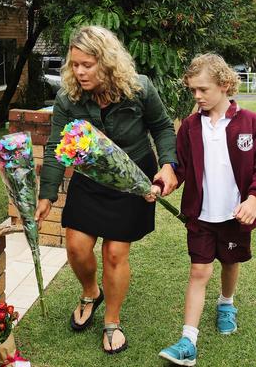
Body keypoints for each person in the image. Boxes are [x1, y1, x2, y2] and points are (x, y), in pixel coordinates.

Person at [35, 25, 178, 354]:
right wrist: (47, 194)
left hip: (133, 179)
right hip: (92, 178)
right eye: (75, 65)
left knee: (115, 253)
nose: (80, 72)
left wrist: (168, 164)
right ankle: (91, 292)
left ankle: (111, 321)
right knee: (76, 248)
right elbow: (58, 146)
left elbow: (161, 127)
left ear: (107, 61)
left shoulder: (139, 88)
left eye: (88, 65)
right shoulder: (68, 98)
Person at [159, 54, 256, 366]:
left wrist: (254, 199)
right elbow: (181, 168)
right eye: (193, 90)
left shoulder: (249, 122)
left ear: (224, 85)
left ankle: (226, 303)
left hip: (235, 214)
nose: (196, 96)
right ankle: (187, 341)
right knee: (199, 270)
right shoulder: (190, 127)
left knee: (230, 261)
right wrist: (163, 184)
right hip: (200, 215)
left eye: (202, 89)